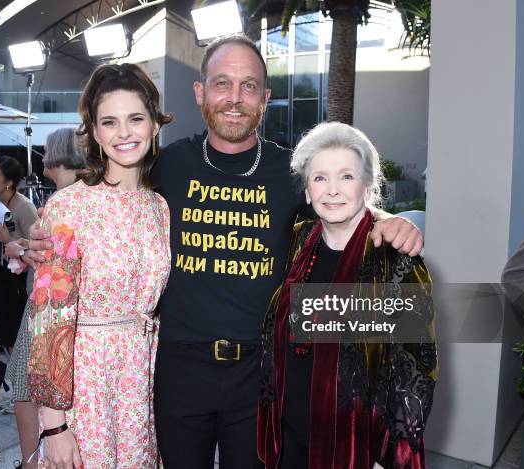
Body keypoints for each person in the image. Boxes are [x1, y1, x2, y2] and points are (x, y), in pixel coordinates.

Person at [27, 34, 423, 468]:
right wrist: (38, 243)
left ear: (265, 98)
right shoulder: (161, 169)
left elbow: (339, 197)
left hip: (258, 377)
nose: (234, 98)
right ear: (200, 93)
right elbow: (97, 206)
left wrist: (388, 220)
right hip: (173, 371)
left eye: (248, 86)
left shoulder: (289, 172)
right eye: (221, 83)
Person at [257, 122, 437, 469]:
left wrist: (389, 458)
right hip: (290, 437)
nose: (332, 190)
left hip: (357, 449)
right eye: (320, 178)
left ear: (367, 186)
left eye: (346, 177)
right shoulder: (298, 241)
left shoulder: (396, 260)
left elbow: (415, 372)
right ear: (307, 191)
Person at [27, 63, 172, 468]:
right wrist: (54, 425)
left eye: (135, 119)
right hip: (86, 385)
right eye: (110, 122)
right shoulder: (68, 206)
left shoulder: (158, 206)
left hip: (141, 380)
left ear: (154, 125)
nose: (124, 133)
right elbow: (47, 324)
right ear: (94, 131)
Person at [4, 127, 86, 469]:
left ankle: (30, 462)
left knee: (25, 391)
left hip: (48, 316)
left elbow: (55, 271)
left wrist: (20, 251)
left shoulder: (64, 202)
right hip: (58, 316)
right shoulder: (73, 196)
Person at [0, 156, 37, 352]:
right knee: (6, 337)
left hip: (18, 284)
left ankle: (21, 381)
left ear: (8, 183)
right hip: (0, 277)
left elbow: (37, 250)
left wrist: (8, 240)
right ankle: (13, 379)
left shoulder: (24, 207)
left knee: (18, 340)